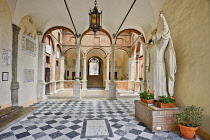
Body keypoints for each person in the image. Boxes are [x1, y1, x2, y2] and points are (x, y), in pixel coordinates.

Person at [140, 11, 176, 99]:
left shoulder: (161, 45)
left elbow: (166, 33)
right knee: (153, 82)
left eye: (154, 34)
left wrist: (163, 18)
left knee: (160, 81)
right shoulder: (152, 47)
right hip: (153, 67)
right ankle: (153, 96)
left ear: (158, 35)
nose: (153, 35)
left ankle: (161, 97)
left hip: (160, 66)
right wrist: (141, 42)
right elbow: (147, 48)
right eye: (153, 34)